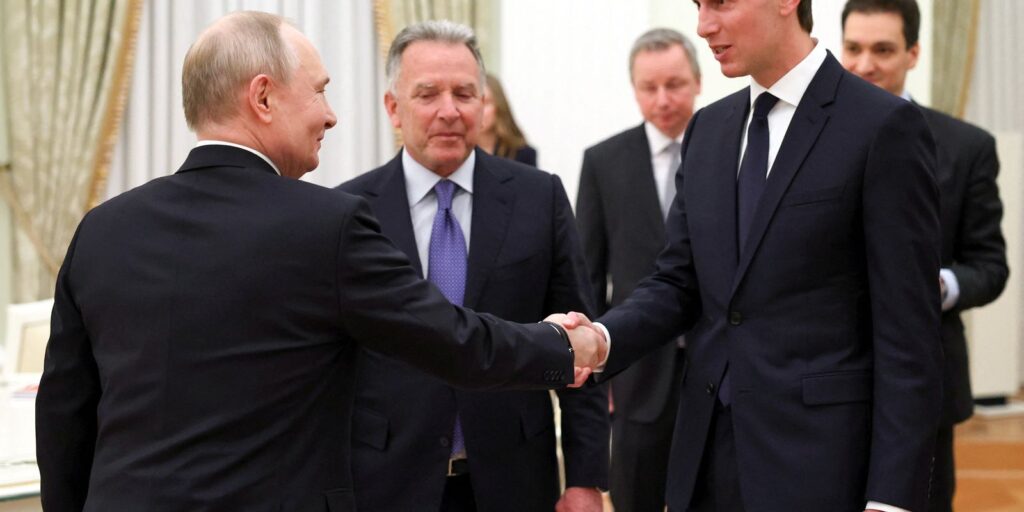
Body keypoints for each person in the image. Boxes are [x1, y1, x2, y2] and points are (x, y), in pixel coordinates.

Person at [34, 12, 602, 512]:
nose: (330, 117)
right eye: (319, 92)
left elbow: (64, 416)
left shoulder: (100, 231)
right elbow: (454, 341)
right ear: (263, 98)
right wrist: (564, 345)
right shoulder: (326, 224)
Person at [558, 0, 943, 510]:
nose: (703, 25)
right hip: (704, 464)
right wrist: (600, 339)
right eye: (698, 6)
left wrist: (892, 499)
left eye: (721, 3)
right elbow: (677, 282)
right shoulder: (709, 129)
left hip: (821, 468)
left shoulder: (882, 125)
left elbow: (909, 337)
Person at [338, 20, 608, 512]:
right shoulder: (349, 212)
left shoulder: (538, 197)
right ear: (393, 107)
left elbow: (579, 338)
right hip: (388, 483)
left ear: (484, 104)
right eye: (428, 94)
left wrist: (585, 479)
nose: (449, 110)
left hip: (514, 478)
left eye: (464, 93)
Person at [841, 2, 1009, 510]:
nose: (865, 64)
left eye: (883, 50)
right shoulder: (803, 139)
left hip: (924, 386)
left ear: (913, 54)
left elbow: (990, 266)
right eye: (853, 48)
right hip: (822, 384)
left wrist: (941, 286)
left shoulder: (966, 147)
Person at [575, 27, 701, 512]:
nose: (663, 99)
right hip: (637, 373)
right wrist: (599, 373)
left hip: (717, 366)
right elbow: (588, 278)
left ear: (698, 81)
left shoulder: (730, 149)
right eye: (650, 87)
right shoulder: (604, 162)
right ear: (634, 89)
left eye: (675, 84)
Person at [478, 73, 537, 166]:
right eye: (474, 102)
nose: (479, 110)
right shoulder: (459, 151)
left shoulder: (522, 153)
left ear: (499, 106)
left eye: (486, 102)